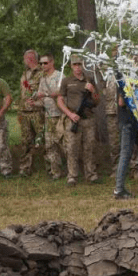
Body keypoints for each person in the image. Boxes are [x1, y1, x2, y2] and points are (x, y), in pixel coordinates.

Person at [57, 55, 100, 186]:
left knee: (89, 147)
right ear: (71, 66)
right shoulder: (66, 81)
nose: (77, 67)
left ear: (83, 65)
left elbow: (97, 100)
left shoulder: (90, 80)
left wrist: (92, 91)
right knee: (71, 148)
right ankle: (72, 176)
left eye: (79, 65)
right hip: (73, 119)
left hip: (88, 119)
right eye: (75, 65)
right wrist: (69, 114)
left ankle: (91, 174)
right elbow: (60, 100)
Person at [36, 53, 65, 180]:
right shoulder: (42, 79)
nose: (43, 65)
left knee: (64, 145)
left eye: (45, 63)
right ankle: (55, 172)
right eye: (41, 63)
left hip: (60, 116)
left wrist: (45, 94)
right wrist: (35, 102)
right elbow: (41, 98)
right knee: (50, 145)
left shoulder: (59, 76)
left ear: (52, 62)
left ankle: (72, 172)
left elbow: (61, 92)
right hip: (48, 116)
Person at [17, 50, 45, 176]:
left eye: (25, 58)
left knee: (43, 140)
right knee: (26, 141)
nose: (24, 60)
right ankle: (25, 169)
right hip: (24, 112)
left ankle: (51, 168)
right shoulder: (25, 73)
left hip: (37, 111)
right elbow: (22, 93)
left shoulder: (42, 73)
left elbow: (45, 91)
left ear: (30, 58)